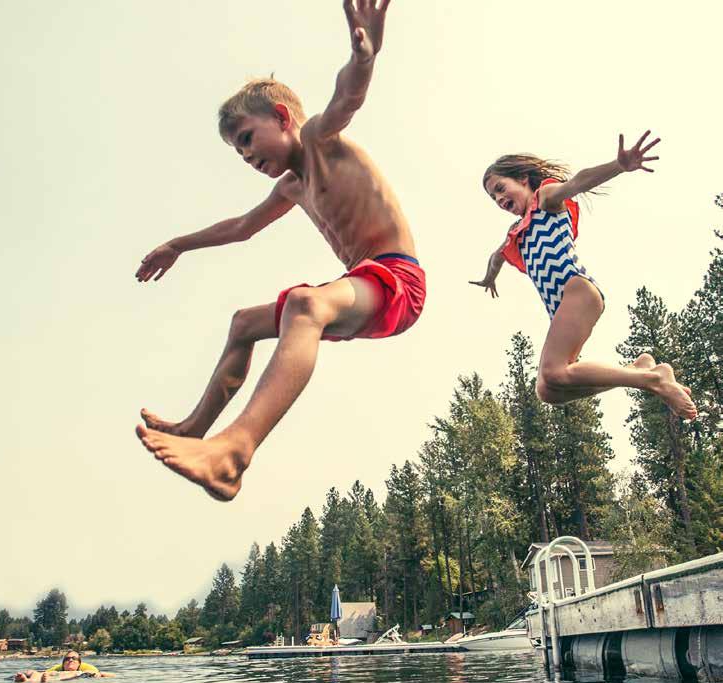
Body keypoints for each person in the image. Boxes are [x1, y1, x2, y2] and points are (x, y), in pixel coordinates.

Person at [135, 0, 425, 500]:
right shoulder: (293, 184)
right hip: (365, 286)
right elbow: (244, 226)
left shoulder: (319, 139)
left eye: (248, 139)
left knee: (304, 303)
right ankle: (195, 430)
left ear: (283, 117)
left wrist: (365, 59)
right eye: (239, 152)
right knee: (244, 323)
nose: (247, 156)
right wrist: (177, 245)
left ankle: (234, 453)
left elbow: (347, 98)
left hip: (398, 281)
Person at [470, 132, 697, 420]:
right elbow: (497, 256)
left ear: (524, 179)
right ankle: (639, 372)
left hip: (575, 289)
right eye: (494, 197)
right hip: (563, 304)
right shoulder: (516, 233)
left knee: (552, 371)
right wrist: (489, 277)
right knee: (549, 389)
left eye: (501, 188)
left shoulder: (545, 199)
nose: (500, 198)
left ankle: (654, 379)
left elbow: (578, 181)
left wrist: (619, 165)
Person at [13, 651, 115, 683]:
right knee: (35, 672)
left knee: (73, 674)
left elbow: (104, 674)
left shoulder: (82, 670)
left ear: (79, 663)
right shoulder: (56, 670)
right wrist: (30, 672)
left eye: (73, 658)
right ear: (63, 663)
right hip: (53, 676)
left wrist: (99, 674)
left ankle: (45, 681)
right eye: (67, 659)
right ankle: (26, 681)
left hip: (70, 677)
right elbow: (39, 673)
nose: (70, 660)